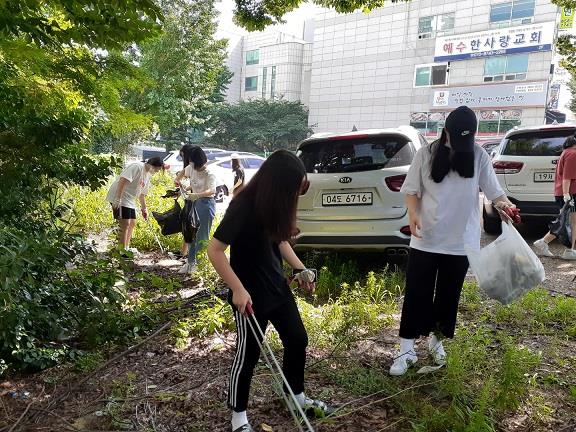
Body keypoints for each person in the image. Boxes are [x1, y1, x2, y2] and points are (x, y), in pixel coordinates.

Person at [207, 150, 333, 432]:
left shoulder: (274, 204)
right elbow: (214, 250)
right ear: (278, 184)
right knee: (248, 356)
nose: (293, 196)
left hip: (278, 289)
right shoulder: (243, 205)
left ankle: (297, 397)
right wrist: (237, 289)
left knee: (298, 339)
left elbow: (280, 241)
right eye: (291, 188)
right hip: (249, 297)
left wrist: (301, 270)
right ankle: (238, 418)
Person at [390, 106, 518, 376]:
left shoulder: (479, 155)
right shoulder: (426, 154)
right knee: (417, 294)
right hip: (426, 239)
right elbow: (411, 191)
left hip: (461, 242)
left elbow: (496, 194)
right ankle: (406, 350)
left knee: (449, 296)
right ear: (445, 130)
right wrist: (413, 214)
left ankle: (437, 344)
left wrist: (506, 206)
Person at [106, 157, 164, 251]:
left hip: (129, 199)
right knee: (125, 224)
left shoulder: (148, 175)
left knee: (132, 223)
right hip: (120, 195)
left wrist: (144, 209)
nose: (155, 172)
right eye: (156, 169)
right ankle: (121, 251)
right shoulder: (137, 167)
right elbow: (123, 181)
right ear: (151, 164)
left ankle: (126, 247)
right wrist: (118, 199)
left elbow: (141, 194)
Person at [533, 135, 576, 260]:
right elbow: (567, 177)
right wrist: (567, 195)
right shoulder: (572, 154)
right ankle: (569, 250)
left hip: (566, 193)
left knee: (566, 221)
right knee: (571, 222)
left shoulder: (566, 153)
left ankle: (544, 243)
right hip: (571, 193)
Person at [175, 146, 217, 274]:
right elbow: (182, 174)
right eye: (192, 163)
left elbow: (212, 190)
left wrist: (197, 195)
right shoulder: (191, 167)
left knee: (201, 236)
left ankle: (199, 265)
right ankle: (190, 262)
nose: (194, 167)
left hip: (206, 204)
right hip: (194, 204)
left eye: (196, 164)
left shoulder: (210, 174)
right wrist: (179, 183)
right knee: (191, 233)